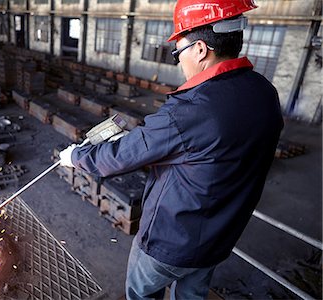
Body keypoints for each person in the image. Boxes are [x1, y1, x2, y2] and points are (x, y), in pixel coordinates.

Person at [59, 0, 284, 298]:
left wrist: (75, 156)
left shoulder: (190, 110)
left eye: (178, 52)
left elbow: (120, 157)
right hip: (220, 237)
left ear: (201, 49)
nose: (179, 62)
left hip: (170, 242)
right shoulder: (264, 92)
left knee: (141, 294)